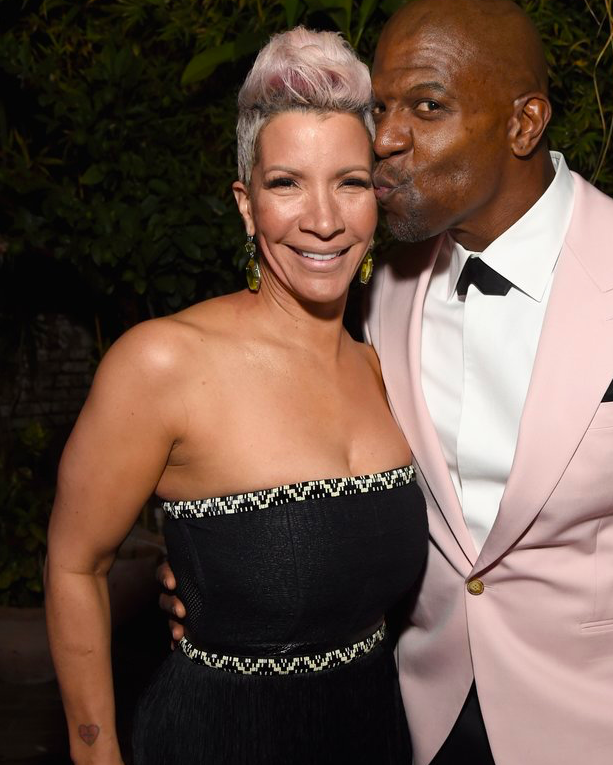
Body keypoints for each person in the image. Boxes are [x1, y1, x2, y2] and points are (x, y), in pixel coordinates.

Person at [162, 2, 613, 764]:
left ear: (524, 123)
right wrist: (235, 572)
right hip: (417, 721)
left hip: (612, 734)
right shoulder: (384, 285)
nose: (387, 139)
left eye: (427, 107)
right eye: (382, 109)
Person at [44, 27, 427, 765]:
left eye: (350, 182)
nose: (323, 218)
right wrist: (94, 755)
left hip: (374, 736)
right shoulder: (162, 362)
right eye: (286, 183)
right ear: (247, 205)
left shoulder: (386, 366)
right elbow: (73, 565)